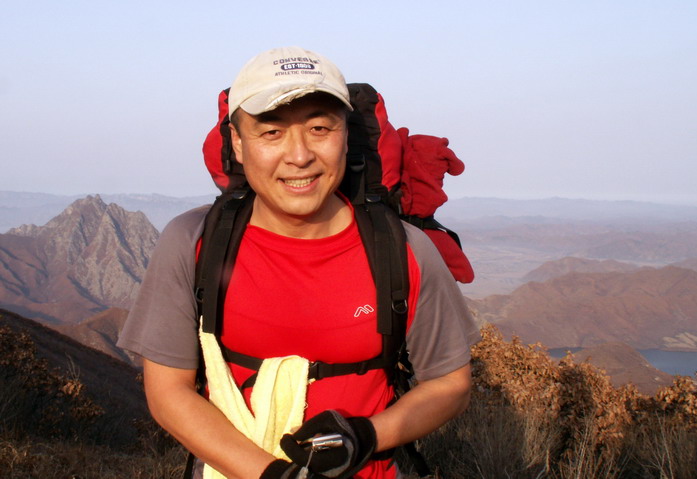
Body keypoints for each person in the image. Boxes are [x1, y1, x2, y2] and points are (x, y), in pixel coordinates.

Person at [118, 46, 481, 479]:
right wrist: (273, 474)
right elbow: (168, 392)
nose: (300, 155)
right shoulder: (193, 243)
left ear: (345, 135)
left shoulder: (403, 250)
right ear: (238, 142)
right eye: (271, 132)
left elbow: (450, 384)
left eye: (319, 128)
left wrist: (365, 436)